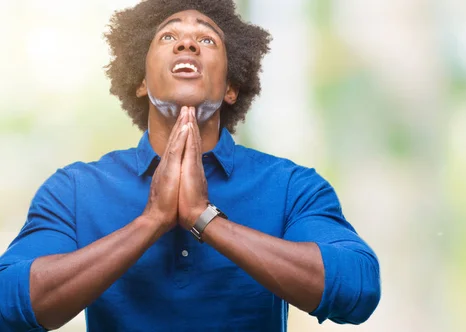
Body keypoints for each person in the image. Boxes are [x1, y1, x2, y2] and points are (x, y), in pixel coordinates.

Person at [0, 1, 381, 331]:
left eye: (207, 39)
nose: (186, 43)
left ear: (231, 87)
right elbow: (7, 304)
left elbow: (357, 289)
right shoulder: (75, 190)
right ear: (141, 82)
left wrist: (205, 219)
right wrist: (151, 222)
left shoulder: (290, 186)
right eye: (168, 37)